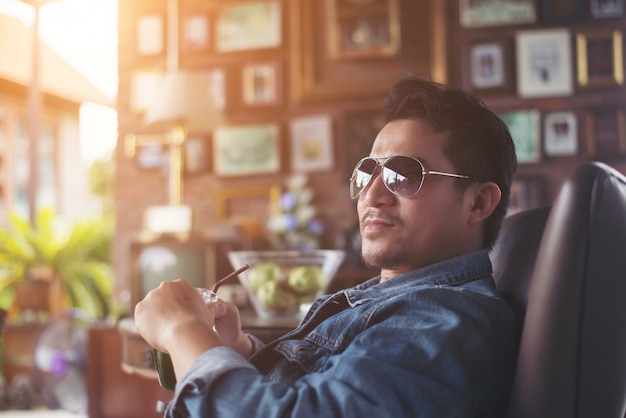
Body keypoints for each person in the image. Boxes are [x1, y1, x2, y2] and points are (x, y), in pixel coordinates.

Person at [134, 74, 518, 417]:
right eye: (368, 171)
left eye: (403, 174)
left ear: (478, 203)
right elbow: (315, 385)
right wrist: (244, 354)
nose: (372, 194)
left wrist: (183, 330)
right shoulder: (389, 301)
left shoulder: (443, 319)